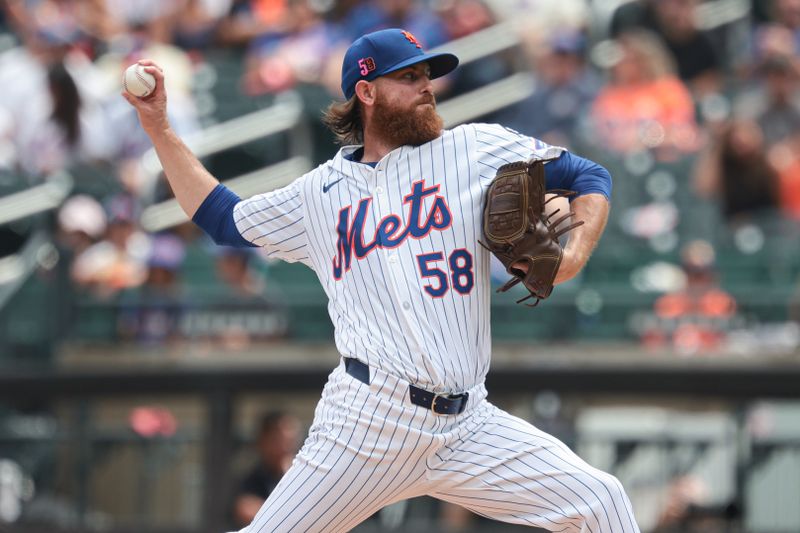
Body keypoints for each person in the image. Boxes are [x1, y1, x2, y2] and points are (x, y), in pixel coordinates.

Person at [124, 28, 640, 532]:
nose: (426, 86)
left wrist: (570, 257)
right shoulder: (318, 194)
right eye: (408, 76)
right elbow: (221, 218)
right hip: (366, 425)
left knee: (601, 502)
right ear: (366, 92)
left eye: (427, 75)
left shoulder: (475, 148)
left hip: (468, 425)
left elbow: (589, 177)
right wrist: (159, 128)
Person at [232, 411, 302, 527]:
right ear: (264, 441)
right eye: (279, 441)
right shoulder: (252, 477)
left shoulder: (302, 473)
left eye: (291, 442)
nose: (286, 448)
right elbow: (245, 509)